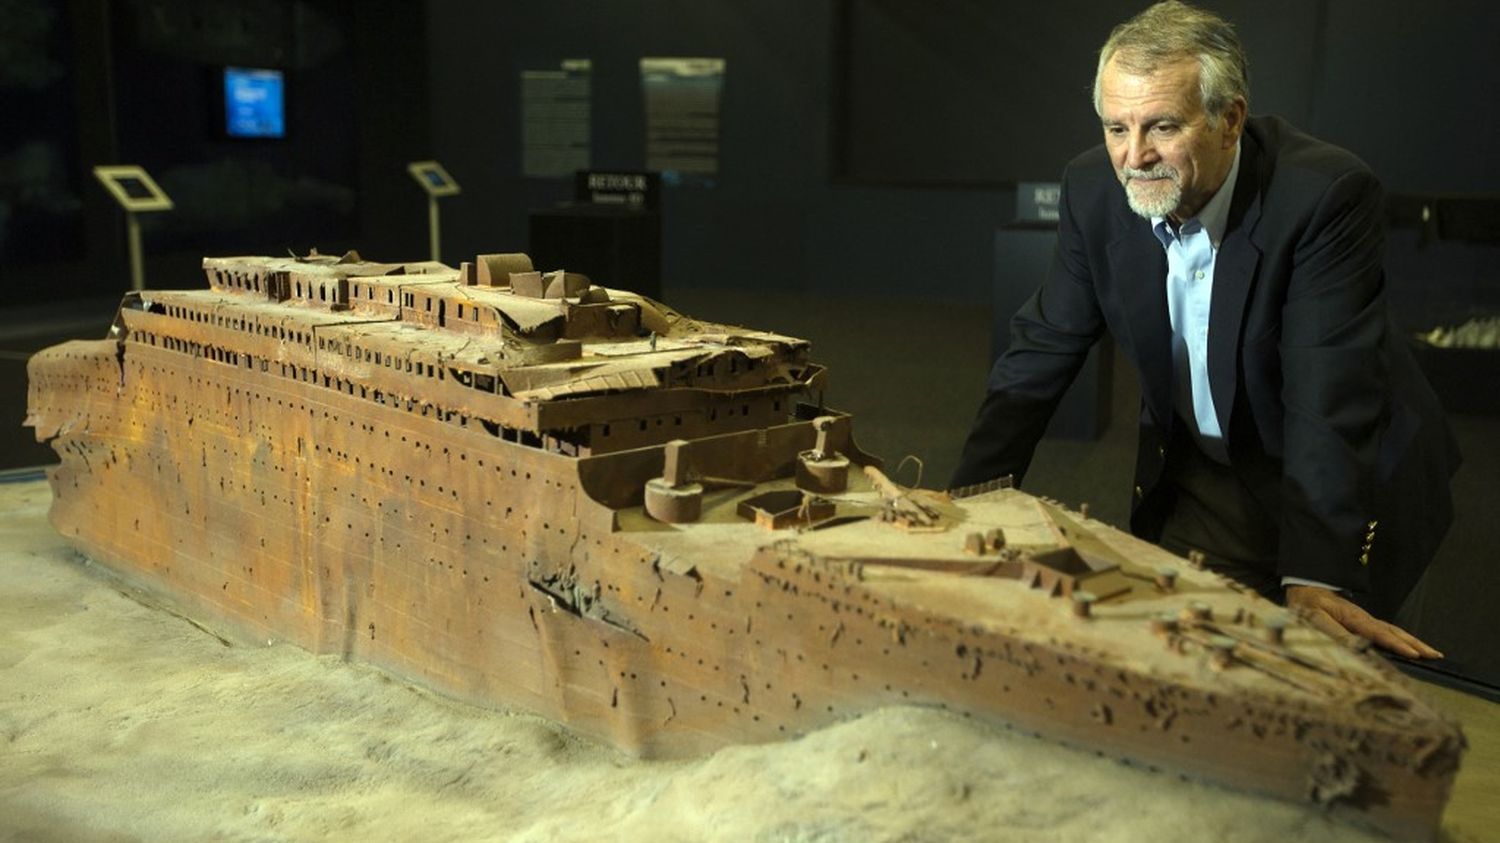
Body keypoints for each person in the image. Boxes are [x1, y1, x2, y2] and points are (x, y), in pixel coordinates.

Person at [951, 0, 1460, 659]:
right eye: (1116, 128)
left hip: (1346, 473)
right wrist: (965, 500)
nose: (1134, 155)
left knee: (1330, 678)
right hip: (1208, 467)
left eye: (1162, 126)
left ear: (1231, 119)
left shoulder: (1323, 197)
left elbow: (1328, 394)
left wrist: (1313, 575)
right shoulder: (1094, 189)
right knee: (1188, 658)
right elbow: (1043, 347)